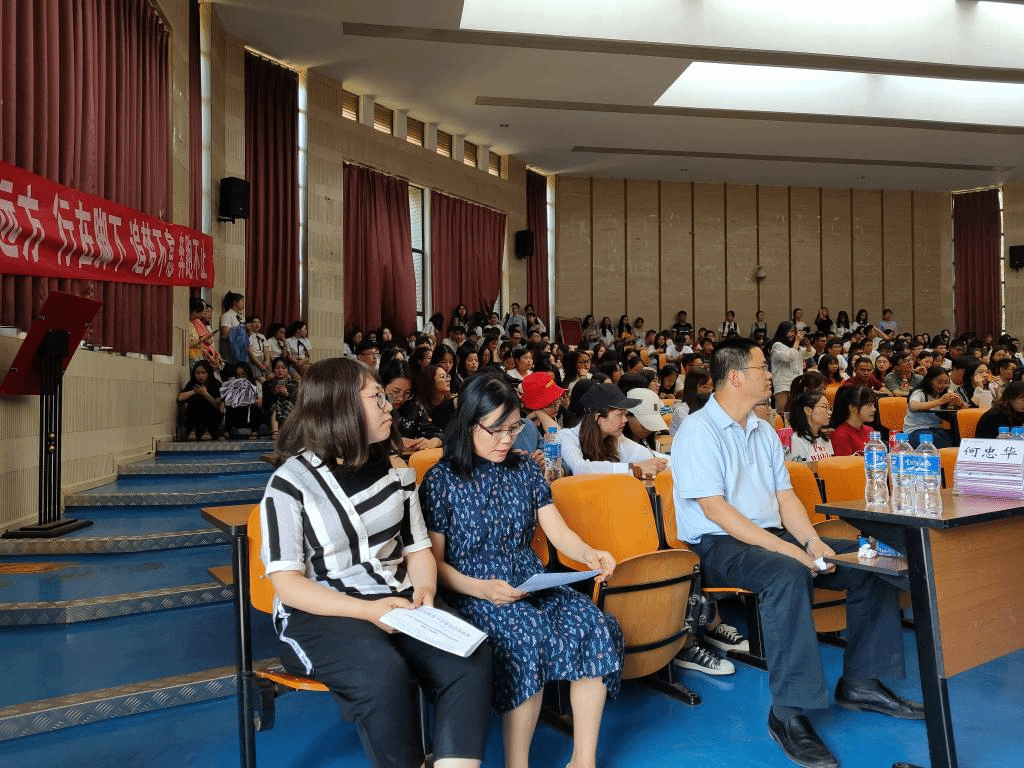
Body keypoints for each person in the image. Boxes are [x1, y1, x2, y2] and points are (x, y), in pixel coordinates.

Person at [672, 338, 921, 768]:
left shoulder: (762, 430)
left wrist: (811, 542)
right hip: (716, 543)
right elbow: (716, 510)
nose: (771, 375)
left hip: (770, 535)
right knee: (787, 574)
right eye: (762, 367)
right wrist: (791, 553)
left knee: (869, 560)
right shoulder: (698, 431)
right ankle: (788, 713)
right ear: (736, 377)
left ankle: (861, 683)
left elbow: (785, 497)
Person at [259, 358, 492, 768]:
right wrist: (368, 611)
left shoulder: (396, 472)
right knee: (382, 673)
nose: (390, 406)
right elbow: (288, 585)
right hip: (323, 611)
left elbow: (417, 549)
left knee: (470, 656)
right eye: (378, 398)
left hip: (397, 599)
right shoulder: (290, 483)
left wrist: (425, 591)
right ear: (340, 407)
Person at [420, 374, 623, 768]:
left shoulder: (524, 471)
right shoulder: (442, 480)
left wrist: (590, 553)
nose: (506, 440)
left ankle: (584, 760)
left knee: (593, 623)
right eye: (495, 430)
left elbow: (558, 531)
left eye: (513, 428)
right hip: (473, 589)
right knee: (526, 639)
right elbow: (434, 564)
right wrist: (482, 589)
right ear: (469, 424)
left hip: (530, 581)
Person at [560, 383, 668, 477]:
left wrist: (664, 462)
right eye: (619, 414)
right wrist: (634, 469)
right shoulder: (567, 436)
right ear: (598, 418)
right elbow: (580, 468)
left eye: (625, 413)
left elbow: (644, 454)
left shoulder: (615, 439)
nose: (625, 420)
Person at [380, 360, 443, 453]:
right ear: (382, 386)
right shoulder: (372, 409)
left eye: (407, 393)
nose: (401, 398)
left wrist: (433, 442)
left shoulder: (412, 409)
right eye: (396, 392)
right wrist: (392, 442)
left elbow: (438, 433)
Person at [905, 368, 962, 448]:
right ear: (930, 381)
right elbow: (913, 406)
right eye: (939, 382)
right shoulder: (920, 393)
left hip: (936, 429)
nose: (943, 385)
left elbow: (965, 409)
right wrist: (940, 401)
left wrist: (960, 403)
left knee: (956, 437)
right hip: (916, 429)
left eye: (946, 382)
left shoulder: (945, 393)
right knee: (935, 440)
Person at [769, 321, 809, 415]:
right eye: (790, 331)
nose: (793, 334)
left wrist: (808, 346)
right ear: (783, 332)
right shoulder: (777, 346)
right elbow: (789, 357)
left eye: (794, 331)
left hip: (796, 382)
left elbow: (808, 354)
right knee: (782, 412)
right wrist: (797, 342)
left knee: (796, 411)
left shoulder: (795, 346)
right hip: (783, 383)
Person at [177, 360, 223, 441]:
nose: (200, 376)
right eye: (197, 373)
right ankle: (192, 431)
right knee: (194, 403)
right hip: (196, 418)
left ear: (208, 373)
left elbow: (219, 407)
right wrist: (194, 391)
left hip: (211, 417)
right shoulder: (193, 383)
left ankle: (208, 431)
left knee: (207, 404)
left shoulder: (216, 384)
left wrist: (206, 394)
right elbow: (180, 398)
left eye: (203, 373)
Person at [828, 385, 878, 456]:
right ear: (852, 407)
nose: (874, 409)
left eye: (874, 405)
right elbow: (846, 462)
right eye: (869, 405)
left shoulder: (870, 431)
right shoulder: (841, 435)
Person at [786, 391, 834, 463]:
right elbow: (800, 468)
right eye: (824, 407)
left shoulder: (826, 438)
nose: (830, 412)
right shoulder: (798, 439)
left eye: (829, 408)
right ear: (808, 410)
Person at [262, 357, 297, 438]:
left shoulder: (293, 384)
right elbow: (265, 403)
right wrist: (274, 393)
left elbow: (296, 403)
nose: (280, 370)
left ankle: (285, 432)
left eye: (283, 368)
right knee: (276, 405)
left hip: (288, 411)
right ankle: (275, 432)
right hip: (271, 412)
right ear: (273, 370)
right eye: (277, 368)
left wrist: (287, 394)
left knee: (287, 403)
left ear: (287, 370)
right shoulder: (267, 384)